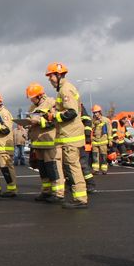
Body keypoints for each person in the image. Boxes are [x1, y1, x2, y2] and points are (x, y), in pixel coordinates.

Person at [46, 62, 88, 209]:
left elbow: (71, 112)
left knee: (73, 167)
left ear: (58, 75)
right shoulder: (64, 89)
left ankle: (80, 199)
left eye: (51, 76)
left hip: (71, 136)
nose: (49, 80)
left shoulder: (65, 90)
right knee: (71, 167)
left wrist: (54, 116)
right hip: (68, 135)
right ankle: (79, 197)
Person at [25, 83, 63, 202]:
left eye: (33, 97)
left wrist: (39, 121)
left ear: (40, 95)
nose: (31, 100)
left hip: (49, 141)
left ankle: (58, 193)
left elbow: (55, 121)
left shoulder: (51, 103)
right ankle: (46, 191)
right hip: (38, 142)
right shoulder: (32, 107)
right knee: (43, 168)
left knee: (53, 167)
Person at [91, 105, 112, 175]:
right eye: (94, 113)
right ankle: (95, 169)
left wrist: (110, 140)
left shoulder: (106, 120)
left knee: (103, 156)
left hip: (103, 141)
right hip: (94, 141)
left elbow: (109, 130)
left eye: (96, 112)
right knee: (95, 156)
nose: (95, 114)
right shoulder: (92, 121)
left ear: (100, 112)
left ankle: (104, 169)